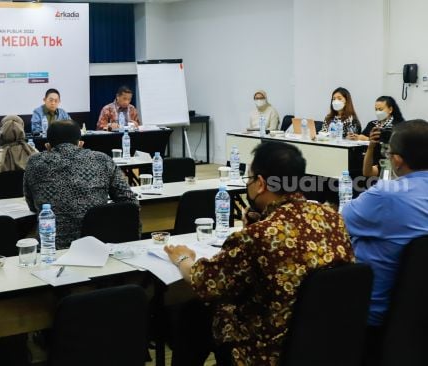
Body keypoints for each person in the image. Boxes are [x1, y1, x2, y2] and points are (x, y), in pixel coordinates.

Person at [164, 141, 354, 365]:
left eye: (250, 179)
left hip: (268, 349)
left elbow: (204, 281)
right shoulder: (332, 217)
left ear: (261, 183)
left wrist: (183, 258)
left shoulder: (258, 236)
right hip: (325, 340)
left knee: (194, 312)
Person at [342, 120, 428, 361]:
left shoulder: (386, 195)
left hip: (372, 318)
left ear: (397, 161)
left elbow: (335, 227)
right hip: (418, 317)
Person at [23, 120, 138, 248]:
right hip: (97, 244)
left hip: (51, 247)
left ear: (48, 145)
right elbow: (129, 201)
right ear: (80, 143)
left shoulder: (34, 162)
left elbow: (32, 206)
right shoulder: (101, 160)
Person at [0, 115, 38, 195]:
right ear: (22, 129)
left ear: (2, 131)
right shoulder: (36, 155)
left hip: (0, 205)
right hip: (31, 204)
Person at [359, 96, 405, 177]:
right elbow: (367, 172)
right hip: (375, 162)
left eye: (380, 109)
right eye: (376, 110)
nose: (378, 112)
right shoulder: (373, 125)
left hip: (390, 162)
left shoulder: (399, 126)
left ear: (390, 109)